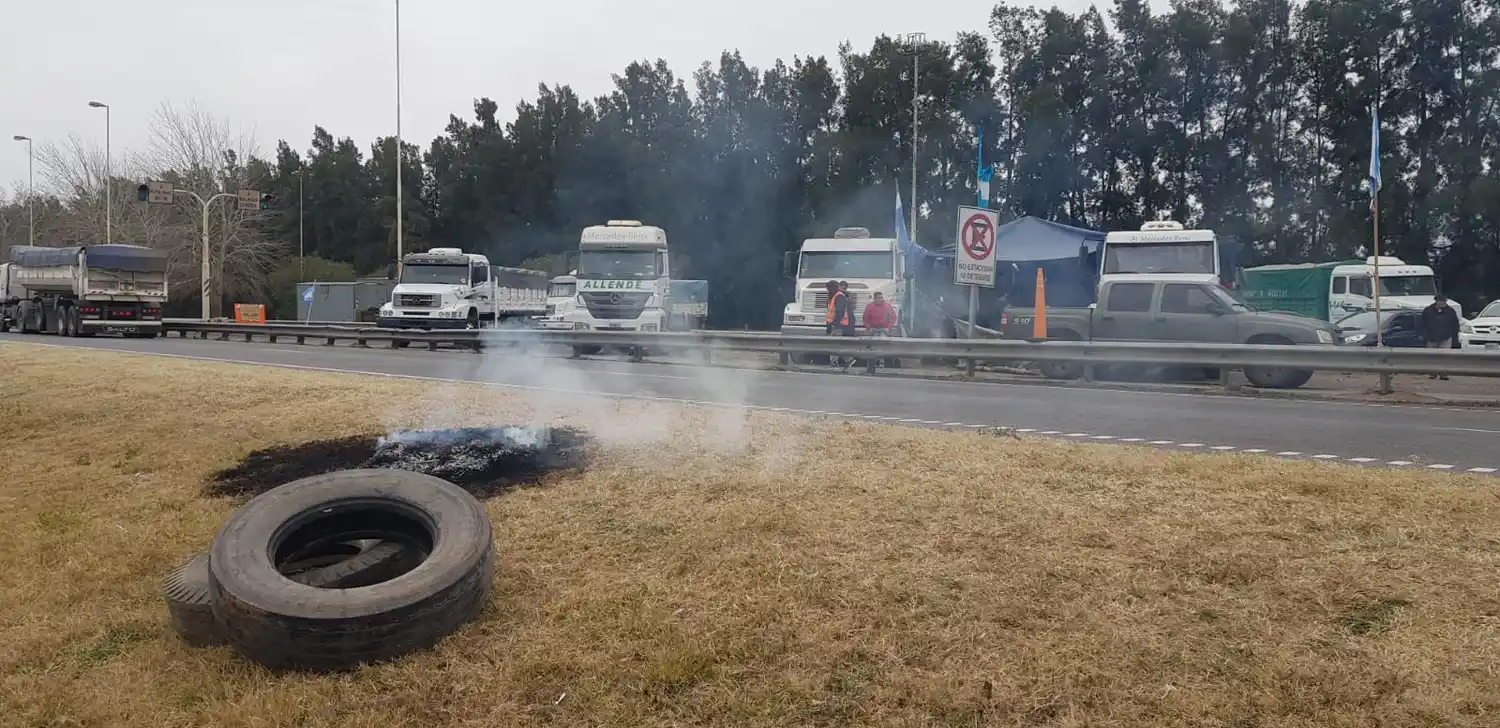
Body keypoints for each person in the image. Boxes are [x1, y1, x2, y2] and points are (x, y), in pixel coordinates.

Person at [1420, 294, 1460, 380]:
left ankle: (1443, 374)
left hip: (1446, 337)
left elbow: (1455, 324)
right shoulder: (1428, 310)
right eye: (1441, 301)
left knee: (1444, 356)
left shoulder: (1450, 311)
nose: (1443, 303)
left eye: (1444, 301)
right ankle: (1433, 373)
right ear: (1437, 301)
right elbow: (1422, 323)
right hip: (1431, 337)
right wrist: (1422, 334)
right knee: (1432, 356)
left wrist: (1454, 337)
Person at [862, 292, 898, 373]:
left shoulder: (887, 306)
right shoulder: (870, 306)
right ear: (874, 299)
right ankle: (871, 368)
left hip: (884, 329)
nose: (880, 299)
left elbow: (893, 317)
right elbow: (865, 318)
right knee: (872, 349)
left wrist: (888, 328)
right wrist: (869, 327)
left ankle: (882, 366)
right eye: (878, 298)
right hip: (873, 329)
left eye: (881, 298)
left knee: (882, 348)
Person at [824, 279, 855, 370]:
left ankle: (840, 361)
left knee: (835, 344)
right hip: (834, 325)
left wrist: (835, 323)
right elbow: (831, 312)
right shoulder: (834, 296)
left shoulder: (839, 296)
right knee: (836, 344)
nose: (828, 290)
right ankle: (846, 360)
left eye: (828, 288)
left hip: (838, 325)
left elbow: (839, 312)